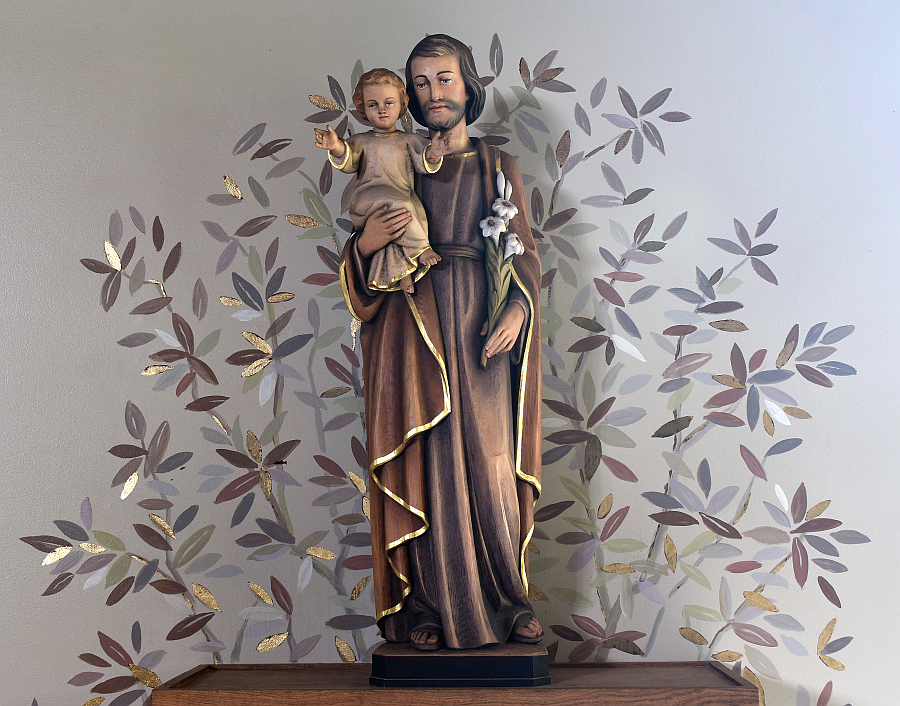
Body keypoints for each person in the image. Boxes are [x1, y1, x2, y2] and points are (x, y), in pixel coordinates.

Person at [339, 34, 543, 650]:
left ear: (468, 84)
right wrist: (369, 243)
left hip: (478, 327)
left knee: (490, 465)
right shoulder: (396, 158)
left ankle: (507, 602)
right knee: (421, 463)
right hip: (408, 328)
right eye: (421, 83)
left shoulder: (493, 164)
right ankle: (421, 606)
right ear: (406, 95)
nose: (434, 94)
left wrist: (515, 307)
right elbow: (356, 266)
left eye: (445, 79)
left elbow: (525, 253)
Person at [315, 69, 450, 294]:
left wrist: (435, 152)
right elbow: (348, 160)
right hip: (366, 201)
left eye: (388, 103)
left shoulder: (410, 140)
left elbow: (423, 161)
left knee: (411, 218)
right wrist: (336, 146)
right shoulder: (362, 141)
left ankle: (402, 275)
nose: (381, 110)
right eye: (372, 105)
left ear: (401, 104)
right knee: (403, 209)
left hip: (400, 197)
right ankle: (421, 250)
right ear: (363, 109)